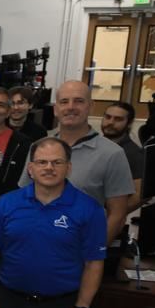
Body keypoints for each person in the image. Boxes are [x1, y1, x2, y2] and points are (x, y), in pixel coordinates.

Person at [0, 137, 106, 308]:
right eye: (42, 162)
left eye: (57, 162)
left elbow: (94, 263)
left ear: (68, 167)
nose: (49, 168)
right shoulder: (6, 204)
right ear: (30, 168)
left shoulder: (89, 209)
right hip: (7, 305)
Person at [19, 80, 134, 247]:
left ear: (91, 106)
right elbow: (24, 200)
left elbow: (117, 214)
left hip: (80, 252)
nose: (71, 107)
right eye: (64, 101)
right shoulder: (38, 147)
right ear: (55, 109)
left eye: (79, 101)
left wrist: (93, 255)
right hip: (35, 246)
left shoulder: (112, 153)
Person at [100, 101, 145, 211]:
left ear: (129, 123)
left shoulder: (133, 154)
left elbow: (139, 196)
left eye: (118, 119)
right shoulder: (96, 144)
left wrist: (112, 217)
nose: (110, 122)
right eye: (108, 117)